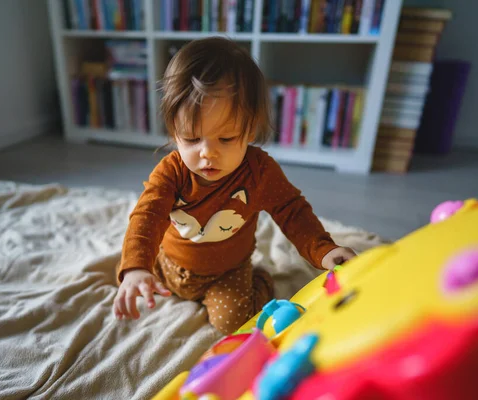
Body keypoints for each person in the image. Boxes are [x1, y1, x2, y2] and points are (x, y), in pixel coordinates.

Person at [113, 37, 356, 334]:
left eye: (225, 139)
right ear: (174, 132)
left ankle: (261, 280)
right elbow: (146, 217)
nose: (207, 153)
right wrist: (137, 268)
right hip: (169, 264)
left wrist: (323, 249)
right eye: (191, 138)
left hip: (227, 273)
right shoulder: (171, 173)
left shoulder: (259, 172)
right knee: (129, 268)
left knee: (233, 321)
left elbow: (292, 212)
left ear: (250, 128)